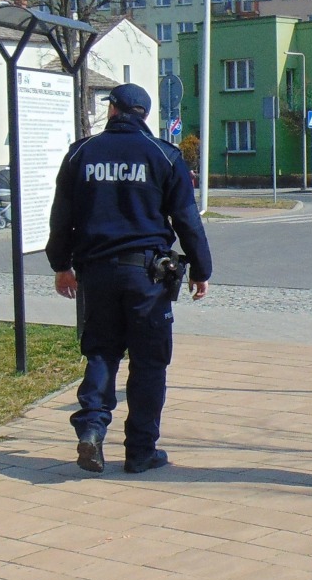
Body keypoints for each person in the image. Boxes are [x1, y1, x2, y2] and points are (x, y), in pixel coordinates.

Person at [47, 83, 211, 475]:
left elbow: (61, 215)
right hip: (147, 276)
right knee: (149, 364)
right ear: (144, 114)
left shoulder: (81, 153)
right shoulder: (163, 155)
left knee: (101, 351)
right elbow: (186, 220)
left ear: (113, 110)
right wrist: (201, 271)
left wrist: (60, 264)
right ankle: (140, 451)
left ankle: (90, 429)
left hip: (96, 273)